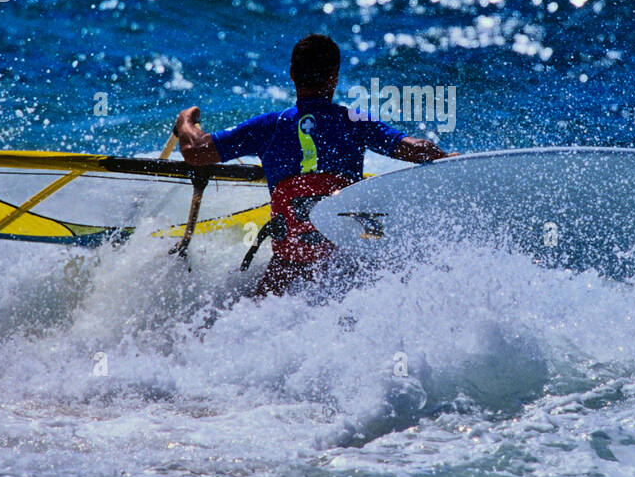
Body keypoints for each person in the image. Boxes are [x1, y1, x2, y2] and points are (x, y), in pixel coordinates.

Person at [172, 34, 451, 295]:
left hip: (286, 270)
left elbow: (196, 151)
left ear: (292, 74)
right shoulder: (354, 121)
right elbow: (414, 149)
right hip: (345, 268)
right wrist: (451, 160)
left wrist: (185, 121)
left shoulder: (269, 126)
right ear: (334, 77)